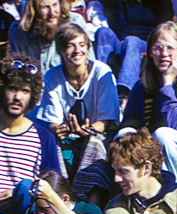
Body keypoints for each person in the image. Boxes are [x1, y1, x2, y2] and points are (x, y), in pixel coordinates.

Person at [120, 22, 177, 182]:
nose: (164, 54)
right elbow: (129, 124)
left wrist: (168, 85)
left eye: (170, 48)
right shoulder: (141, 87)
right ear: (150, 52)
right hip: (147, 151)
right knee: (125, 134)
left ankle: (173, 190)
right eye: (158, 48)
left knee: (163, 135)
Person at [38, 24, 119, 176]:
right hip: (69, 135)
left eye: (82, 45)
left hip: (100, 134)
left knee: (94, 143)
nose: (77, 51)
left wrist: (87, 130)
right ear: (61, 51)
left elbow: (105, 122)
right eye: (70, 46)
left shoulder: (102, 72)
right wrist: (59, 130)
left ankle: (86, 187)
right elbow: (53, 122)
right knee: (52, 142)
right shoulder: (52, 76)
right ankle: (61, 185)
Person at [0, 55, 64, 194]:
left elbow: (52, 188)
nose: (18, 97)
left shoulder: (43, 137)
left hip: (25, 204)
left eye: (25, 91)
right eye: (12, 89)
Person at [9, 0, 92, 76]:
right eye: (44, 7)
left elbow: (90, 66)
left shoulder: (75, 23)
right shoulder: (18, 31)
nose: (52, 13)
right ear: (33, 9)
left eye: (55, 5)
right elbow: (18, 72)